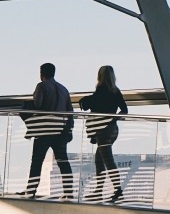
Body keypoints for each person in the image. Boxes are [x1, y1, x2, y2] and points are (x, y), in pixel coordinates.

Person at [20, 63, 74, 199]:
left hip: (44, 130)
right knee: (63, 161)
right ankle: (68, 192)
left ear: (42, 73)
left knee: (37, 161)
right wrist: (69, 130)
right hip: (60, 131)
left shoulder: (42, 86)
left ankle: (31, 190)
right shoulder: (64, 89)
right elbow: (70, 112)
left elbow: (37, 105)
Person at [79, 65, 128, 203]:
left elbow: (90, 105)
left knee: (107, 161)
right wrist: (113, 118)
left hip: (103, 130)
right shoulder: (115, 91)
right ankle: (99, 191)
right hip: (113, 129)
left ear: (99, 76)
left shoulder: (100, 90)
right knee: (99, 160)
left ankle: (117, 191)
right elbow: (124, 110)